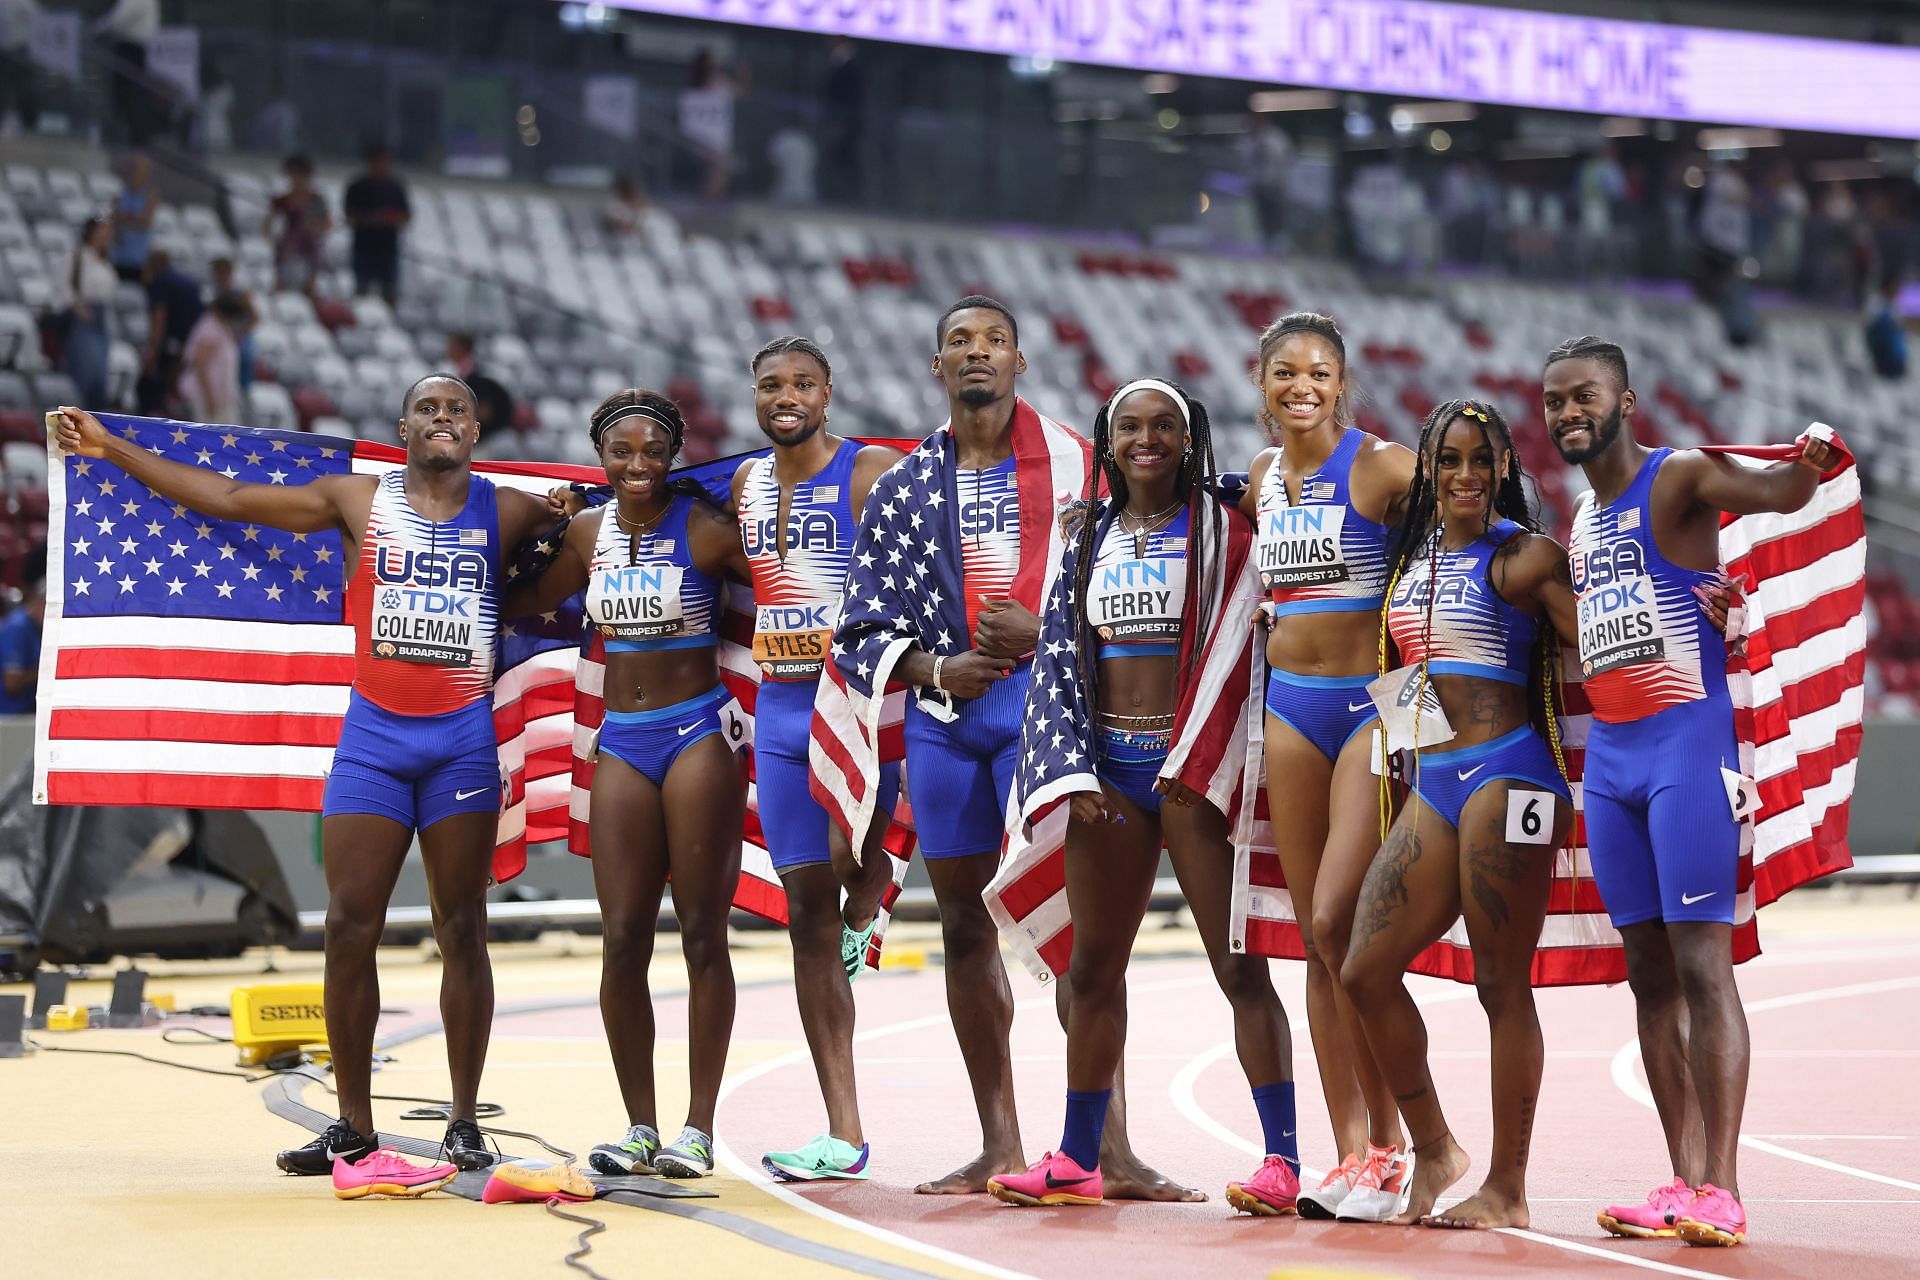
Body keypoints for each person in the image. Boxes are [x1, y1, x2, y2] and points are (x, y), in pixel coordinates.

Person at [53, 376, 559, 1188]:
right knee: (347, 927)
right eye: (427, 408)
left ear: (475, 427)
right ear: (402, 427)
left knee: (461, 925)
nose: (442, 418)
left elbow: (601, 521)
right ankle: (352, 1125)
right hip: (375, 742)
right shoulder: (357, 498)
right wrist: (111, 448)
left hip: (461, 743)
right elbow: (227, 496)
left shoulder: (511, 510)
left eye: (455, 409)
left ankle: (465, 1122)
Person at [824, 296, 1191, 1200]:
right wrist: (936, 667)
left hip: (1052, 715)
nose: (976, 352)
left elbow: (1141, 575)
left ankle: (1109, 1147)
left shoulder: (1080, 464)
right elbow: (857, 628)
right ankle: (998, 1141)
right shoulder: (905, 487)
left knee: (1082, 938)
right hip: (949, 721)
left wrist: (1045, 630)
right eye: (959, 342)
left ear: (1020, 362)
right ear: (935, 367)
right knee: (961, 926)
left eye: (993, 340)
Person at [1543, 335, 1836, 1248]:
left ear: (1626, 402)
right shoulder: (1581, 525)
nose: (1567, 414)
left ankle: (1727, 1187)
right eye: (1554, 402)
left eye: (1584, 396)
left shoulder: (1676, 478)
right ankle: (1682, 1177)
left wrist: (1807, 467)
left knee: (1704, 967)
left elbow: (1778, 493)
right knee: (1647, 974)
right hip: (1615, 766)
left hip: (1687, 750)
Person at [985, 379, 1301, 1214]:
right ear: (1108, 438)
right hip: (1111, 779)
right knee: (1091, 971)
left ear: (1192, 439)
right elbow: (1061, 654)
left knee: (1238, 967)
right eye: (1130, 427)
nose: (1147, 440)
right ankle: (1079, 1157)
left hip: (1193, 767)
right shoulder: (1086, 537)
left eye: (1165, 426)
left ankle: (1283, 1161)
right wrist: (1071, 769)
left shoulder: (1229, 527)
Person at [1338, 400, 1578, 1228]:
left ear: (1505, 467)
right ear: (1430, 473)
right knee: (1363, 971)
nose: (1466, 475)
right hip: (1435, 780)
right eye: (1449, 461)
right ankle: (1436, 1147)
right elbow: (1409, 667)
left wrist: (1708, 616)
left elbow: (1606, 647)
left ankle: (1507, 1188)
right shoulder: (1416, 561)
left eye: (1482, 460)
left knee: (1499, 982)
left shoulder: (1526, 559)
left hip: (1512, 776)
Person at [505, 390, 751, 1181]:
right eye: (622, 452)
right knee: (621, 941)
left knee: (703, 933)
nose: (638, 466)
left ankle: (698, 1128)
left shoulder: (709, 530)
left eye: (653, 452)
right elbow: (517, 603)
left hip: (696, 734)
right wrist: (533, 530)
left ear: (673, 455)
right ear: (600, 457)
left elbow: (794, 582)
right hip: (622, 741)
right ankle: (639, 1126)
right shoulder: (586, 531)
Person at [1238, 311, 1415, 1220]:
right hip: (1290, 709)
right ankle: (1353, 1150)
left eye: (1318, 372)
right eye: (1284, 373)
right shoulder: (1263, 476)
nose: (1301, 385)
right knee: (1314, 935)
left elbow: (1474, 525)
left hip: (1369, 714)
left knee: (1347, 924)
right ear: (1260, 383)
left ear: (1340, 383)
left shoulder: (1382, 464)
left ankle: (1392, 1149)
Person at [729, 336, 904, 1180]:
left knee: (854, 871)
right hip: (780, 705)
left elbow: (926, 561)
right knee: (804, 911)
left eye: (801, 383)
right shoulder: (745, 482)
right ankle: (842, 1131)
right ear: (755, 398)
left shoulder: (868, 474)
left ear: (829, 394)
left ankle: (867, 912)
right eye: (771, 385)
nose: (785, 395)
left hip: (859, 707)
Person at [56, 218, 117, 410]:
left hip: (101, 317)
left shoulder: (105, 261)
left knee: (100, 375)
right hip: (83, 315)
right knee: (85, 372)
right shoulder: (77, 258)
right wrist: (78, 307)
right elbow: (62, 285)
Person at [344, 145, 410, 306]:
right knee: (361, 289)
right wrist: (369, 219)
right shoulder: (358, 187)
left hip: (387, 247)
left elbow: (406, 215)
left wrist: (389, 219)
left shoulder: (395, 187)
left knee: (389, 291)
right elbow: (349, 213)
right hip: (363, 245)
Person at [139, 249, 202, 416]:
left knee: (153, 389)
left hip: (168, 343)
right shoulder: (189, 283)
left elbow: (160, 315)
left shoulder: (160, 281)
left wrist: (153, 348)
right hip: (188, 343)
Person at [176, 292, 249, 425]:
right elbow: (201, 366)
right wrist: (209, 399)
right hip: (204, 396)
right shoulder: (208, 329)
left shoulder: (222, 326)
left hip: (221, 397)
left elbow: (253, 321)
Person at [265, 154, 331, 296]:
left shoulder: (316, 200)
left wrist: (311, 225)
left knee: (308, 290)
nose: (296, 180)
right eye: (293, 176)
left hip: (308, 249)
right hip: (287, 249)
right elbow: (267, 225)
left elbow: (327, 225)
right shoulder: (281, 201)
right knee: (280, 287)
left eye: (300, 176)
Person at [678, 50, 739, 200]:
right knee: (720, 164)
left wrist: (741, 74)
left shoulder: (721, 84)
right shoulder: (691, 90)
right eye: (709, 65)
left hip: (719, 140)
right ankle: (709, 197)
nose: (712, 68)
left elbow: (739, 92)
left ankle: (712, 196)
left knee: (723, 166)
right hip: (699, 140)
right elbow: (687, 122)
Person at [444, 333, 515, 436]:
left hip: (489, 434)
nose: (447, 350)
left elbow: (484, 411)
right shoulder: (462, 372)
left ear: (459, 348)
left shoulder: (477, 374)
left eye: (451, 346)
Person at [111, 153, 159, 283]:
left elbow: (144, 223)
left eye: (140, 171)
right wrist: (132, 219)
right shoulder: (120, 195)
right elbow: (114, 219)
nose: (136, 175)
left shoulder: (150, 197)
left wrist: (124, 218)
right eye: (134, 170)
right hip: (119, 257)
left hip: (138, 260)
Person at [0, 579, 44, 715]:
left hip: (29, 713)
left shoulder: (37, 627)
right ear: (41, 603)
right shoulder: (17, 628)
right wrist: (48, 671)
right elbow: (12, 683)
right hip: (11, 718)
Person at [601, 174, 649, 240]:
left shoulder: (641, 208)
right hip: (622, 243)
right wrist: (637, 211)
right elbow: (624, 228)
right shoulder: (614, 207)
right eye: (628, 189)